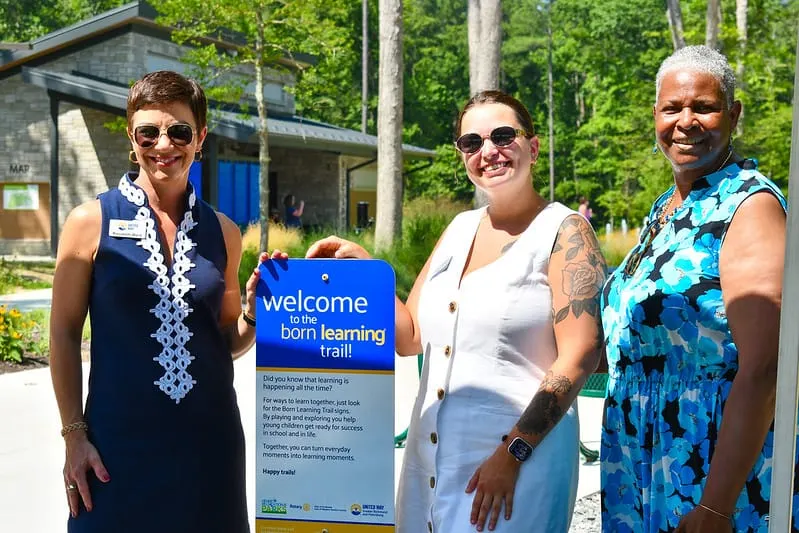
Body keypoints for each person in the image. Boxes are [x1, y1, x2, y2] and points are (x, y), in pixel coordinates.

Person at [306, 90, 605, 532]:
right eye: (472, 142)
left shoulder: (565, 231)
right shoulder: (459, 228)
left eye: (502, 136)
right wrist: (366, 271)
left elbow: (581, 354)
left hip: (515, 472)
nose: (488, 151)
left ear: (533, 146)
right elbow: (410, 337)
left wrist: (513, 453)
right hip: (429, 467)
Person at [49, 70, 284, 531]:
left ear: (200, 138)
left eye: (179, 131)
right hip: (114, 449)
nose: (163, 145)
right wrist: (74, 436)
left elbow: (225, 341)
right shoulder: (89, 222)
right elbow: (63, 332)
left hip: (209, 449)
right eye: (148, 132)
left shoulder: (224, 232)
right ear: (131, 136)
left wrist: (254, 314)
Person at [600, 45, 795, 532]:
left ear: (733, 115)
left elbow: (765, 367)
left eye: (704, 107)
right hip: (641, 453)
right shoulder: (666, 206)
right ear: (655, 115)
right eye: (673, 108)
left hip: (709, 463)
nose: (686, 121)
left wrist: (715, 506)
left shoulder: (748, 205)